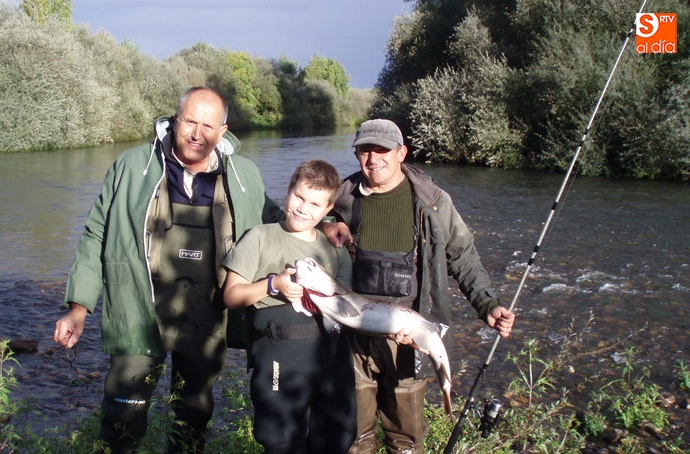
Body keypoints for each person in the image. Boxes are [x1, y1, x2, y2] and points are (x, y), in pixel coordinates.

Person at [53, 87, 284, 453]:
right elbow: (96, 232)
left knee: (193, 415)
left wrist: (329, 225)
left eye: (207, 126)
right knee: (122, 418)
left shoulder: (244, 175)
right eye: (189, 121)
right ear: (175, 120)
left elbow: (278, 223)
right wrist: (79, 307)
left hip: (208, 315)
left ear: (223, 131)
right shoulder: (132, 166)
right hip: (138, 309)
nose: (197, 133)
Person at [326, 119, 516, 454]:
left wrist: (488, 304)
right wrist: (326, 225)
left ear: (401, 153)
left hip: (409, 339)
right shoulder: (341, 196)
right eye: (364, 151)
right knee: (352, 437)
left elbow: (464, 257)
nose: (373, 159)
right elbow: (301, 224)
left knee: (406, 440)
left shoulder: (435, 203)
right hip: (352, 337)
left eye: (382, 150)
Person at [221, 160, 356, 454]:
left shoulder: (335, 247)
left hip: (331, 359)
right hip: (280, 356)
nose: (303, 208)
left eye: (315, 204)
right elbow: (230, 296)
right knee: (282, 442)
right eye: (298, 196)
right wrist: (272, 286)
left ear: (328, 209)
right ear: (288, 189)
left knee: (336, 438)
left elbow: (348, 307)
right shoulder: (259, 236)